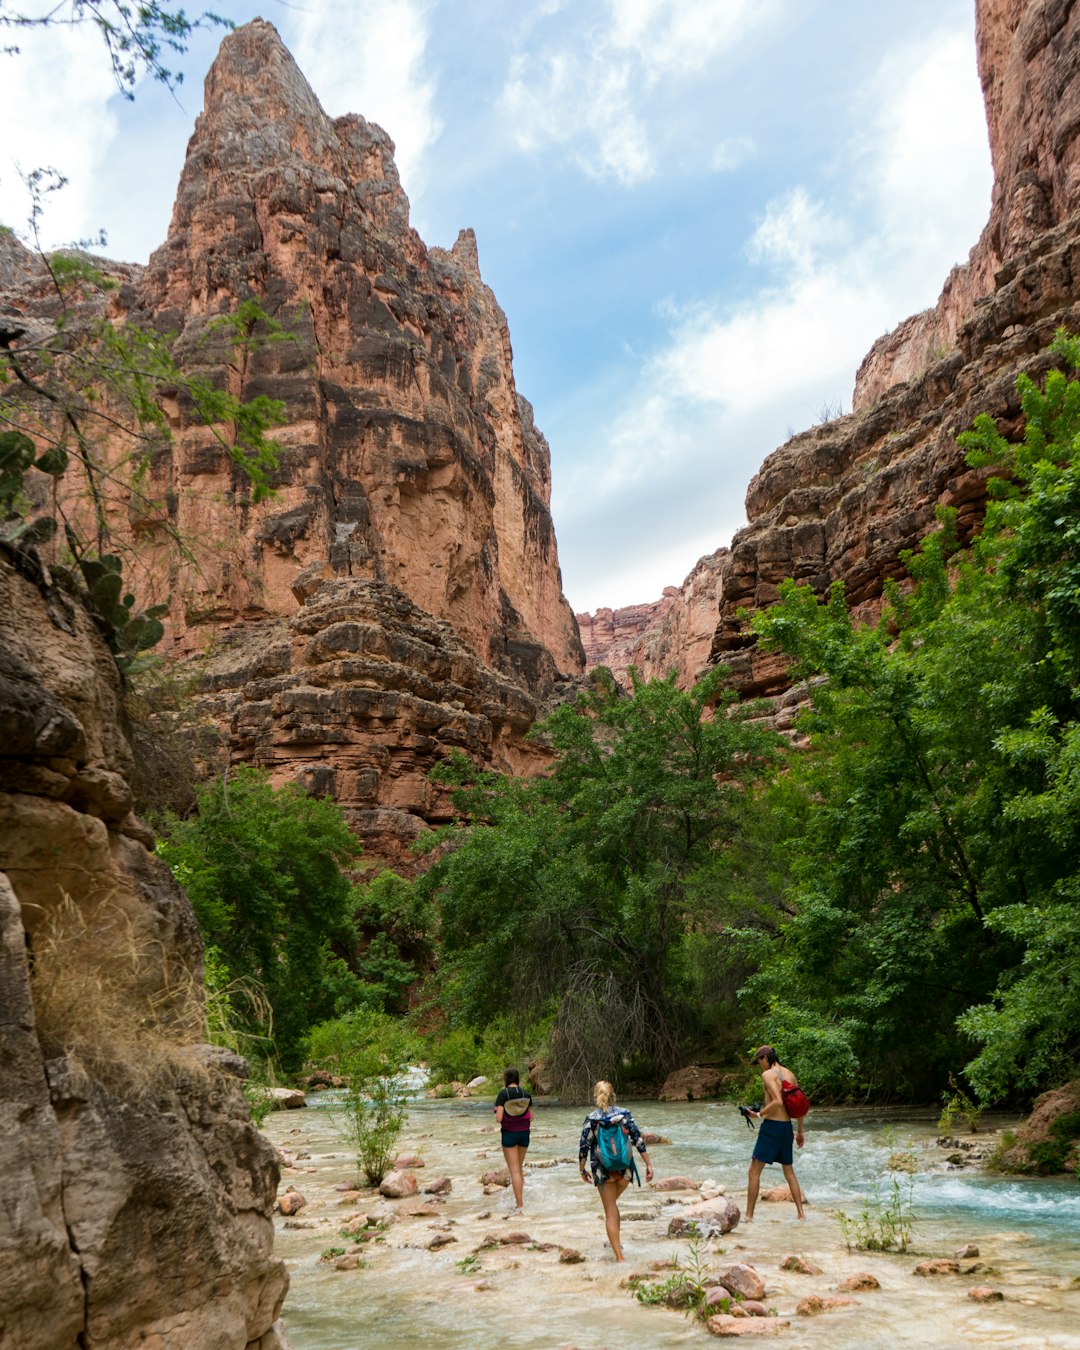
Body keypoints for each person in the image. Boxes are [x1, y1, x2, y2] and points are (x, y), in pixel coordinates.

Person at [578, 1080, 653, 1261]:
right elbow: (638, 1140)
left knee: (610, 1210)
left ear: (596, 1096)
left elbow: (584, 1148)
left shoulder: (592, 1119)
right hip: (625, 1170)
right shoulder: (624, 1115)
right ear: (613, 1095)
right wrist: (649, 1164)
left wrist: (582, 1170)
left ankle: (619, 1258)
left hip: (603, 1171)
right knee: (612, 1207)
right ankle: (617, 1244)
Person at [744, 1045, 806, 1221]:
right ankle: (801, 1215)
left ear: (764, 1058)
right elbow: (800, 1104)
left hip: (771, 1127)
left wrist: (758, 1114)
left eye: (758, 1062)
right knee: (789, 1172)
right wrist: (800, 1132)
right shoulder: (790, 1074)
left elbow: (778, 1101)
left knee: (753, 1172)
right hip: (787, 1128)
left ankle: (748, 1216)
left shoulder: (768, 1075)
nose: (759, 1066)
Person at [493, 1067, 532, 1213]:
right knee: (519, 1168)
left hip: (509, 1134)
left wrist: (497, 1111)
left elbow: (499, 1119)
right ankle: (522, 1200)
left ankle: (520, 1206)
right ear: (517, 1078)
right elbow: (531, 1116)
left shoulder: (503, 1094)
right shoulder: (526, 1094)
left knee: (514, 1171)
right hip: (524, 1134)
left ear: (506, 1079)